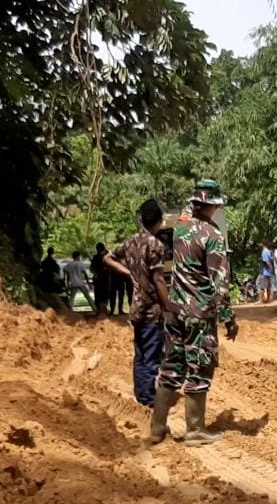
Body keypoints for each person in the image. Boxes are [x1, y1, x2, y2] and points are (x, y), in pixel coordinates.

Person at [151, 179, 239, 446]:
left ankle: (157, 428)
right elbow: (219, 285)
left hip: (175, 310)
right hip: (199, 313)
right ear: (211, 206)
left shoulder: (179, 227)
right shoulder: (212, 236)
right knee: (199, 368)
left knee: (171, 367)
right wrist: (228, 319)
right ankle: (195, 430)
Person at [106, 199, 170, 408]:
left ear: (141, 219)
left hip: (135, 307)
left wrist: (128, 274)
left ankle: (140, 393)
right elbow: (159, 279)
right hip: (152, 309)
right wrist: (169, 306)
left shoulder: (130, 242)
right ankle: (148, 399)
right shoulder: (156, 245)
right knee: (152, 356)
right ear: (159, 221)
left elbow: (107, 258)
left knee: (140, 354)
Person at [36, 247, 68, 312]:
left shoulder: (42, 272)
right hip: (51, 289)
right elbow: (58, 276)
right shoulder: (52, 269)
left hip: (44, 290)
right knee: (60, 305)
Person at [90, 242, 111, 317]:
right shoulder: (106, 257)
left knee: (98, 295)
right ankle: (103, 311)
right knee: (104, 295)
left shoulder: (95, 257)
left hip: (98, 279)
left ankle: (99, 311)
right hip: (104, 279)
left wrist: (95, 274)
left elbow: (91, 268)